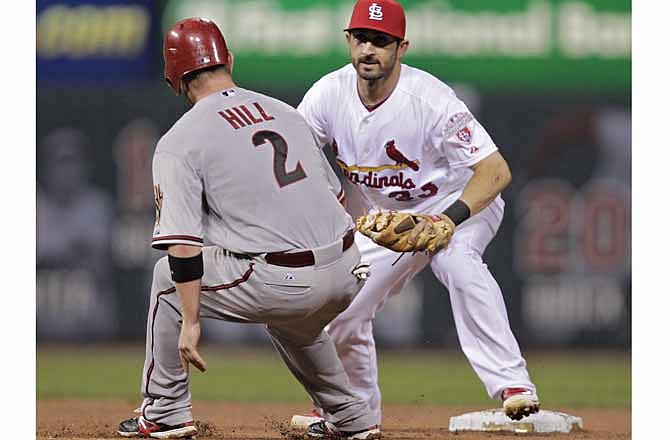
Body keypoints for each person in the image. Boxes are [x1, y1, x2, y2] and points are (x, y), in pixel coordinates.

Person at [117, 17, 380, 440]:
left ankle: (164, 411)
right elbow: (335, 197)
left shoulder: (180, 140)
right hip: (350, 268)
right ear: (229, 61)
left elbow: (182, 245)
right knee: (297, 322)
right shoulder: (285, 111)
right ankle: (352, 418)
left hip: (286, 280)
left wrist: (191, 320)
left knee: (167, 280)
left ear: (173, 80)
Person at [291, 0, 540, 428]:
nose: (369, 49)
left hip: (458, 204)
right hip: (387, 220)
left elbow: (495, 171)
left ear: (401, 47)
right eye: (362, 38)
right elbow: (298, 160)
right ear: (348, 40)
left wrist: (448, 220)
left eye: (381, 41)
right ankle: (353, 412)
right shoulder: (326, 96)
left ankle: (513, 385)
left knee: (457, 261)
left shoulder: (430, 100)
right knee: (341, 309)